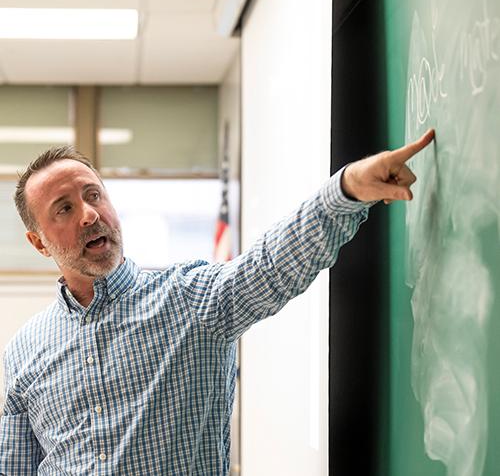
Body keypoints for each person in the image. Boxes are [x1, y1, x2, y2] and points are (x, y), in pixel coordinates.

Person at [0, 129, 434, 475]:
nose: (89, 214)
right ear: (38, 243)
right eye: (64, 208)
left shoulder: (190, 300)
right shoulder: (24, 350)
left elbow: (270, 266)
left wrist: (347, 191)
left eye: (93, 195)